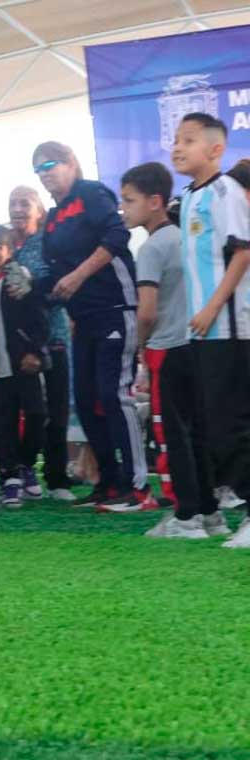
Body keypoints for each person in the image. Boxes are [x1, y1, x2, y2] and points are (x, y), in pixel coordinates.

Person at [34, 141, 147, 511]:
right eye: (38, 168)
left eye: (50, 163)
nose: (45, 172)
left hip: (115, 306)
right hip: (82, 320)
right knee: (85, 400)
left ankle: (138, 486)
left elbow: (117, 237)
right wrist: (26, 282)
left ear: (71, 163)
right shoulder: (52, 218)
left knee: (115, 394)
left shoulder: (91, 193)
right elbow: (53, 274)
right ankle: (108, 483)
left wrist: (79, 275)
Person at [122, 162, 228, 540]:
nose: (124, 208)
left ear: (155, 202)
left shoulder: (151, 248)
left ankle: (186, 517)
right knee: (197, 433)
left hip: (167, 349)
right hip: (198, 347)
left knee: (172, 436)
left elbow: (146, 311)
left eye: (129, 200)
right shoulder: (187, 237)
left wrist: (140, 346)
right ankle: (210, 514)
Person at [171, 113, 250, 548]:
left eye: (189, 140)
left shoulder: (226, 192)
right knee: (210, 427)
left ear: (216, 149)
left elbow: (242, 255)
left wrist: (212, 307)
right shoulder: (189, 197)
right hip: (203, 332)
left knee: (232, 426)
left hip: (230, 328)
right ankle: (213, 514)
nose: (177, 147)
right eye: (176, 140)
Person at [0, 224, 48, 508]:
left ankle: (27, 464)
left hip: (23, 363)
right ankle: (8, 475)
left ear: (9, 251)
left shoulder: (18, 280)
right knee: (1, 422)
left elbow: (38, 320)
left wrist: (35, 351)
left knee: (36, 414)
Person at [9, 185, 73, 500]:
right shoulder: (4, 247)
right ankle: (22, 466)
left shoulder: (50, 243)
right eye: (13, 204)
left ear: (39, 210)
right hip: (16, 347)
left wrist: (33, 287)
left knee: (57, 410)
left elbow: (59, 289)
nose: (18, 209)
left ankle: (57, 478)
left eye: (25, 203)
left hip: (54, 338)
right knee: (30, 411)